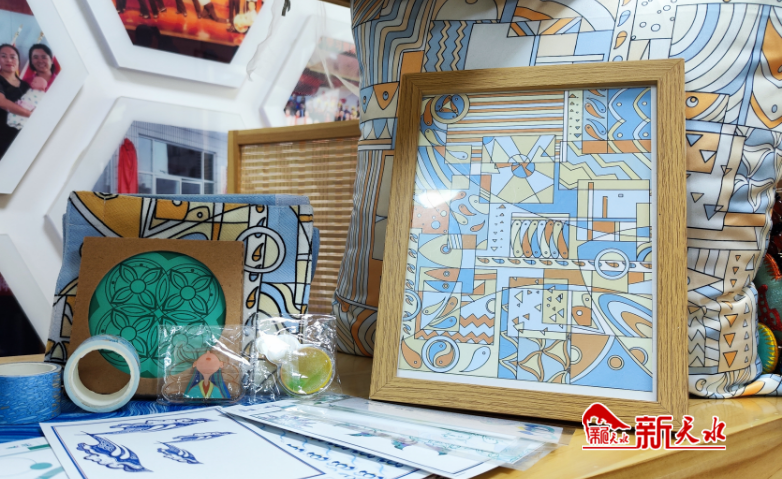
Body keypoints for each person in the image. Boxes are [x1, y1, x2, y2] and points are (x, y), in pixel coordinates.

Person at [0, 45, 32, 160]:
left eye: (13, 57)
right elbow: (2, 102)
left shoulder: (26, 86)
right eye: (3, 56)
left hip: (21, 139)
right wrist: (31, 115)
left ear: (18, 61)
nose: (9, 60)